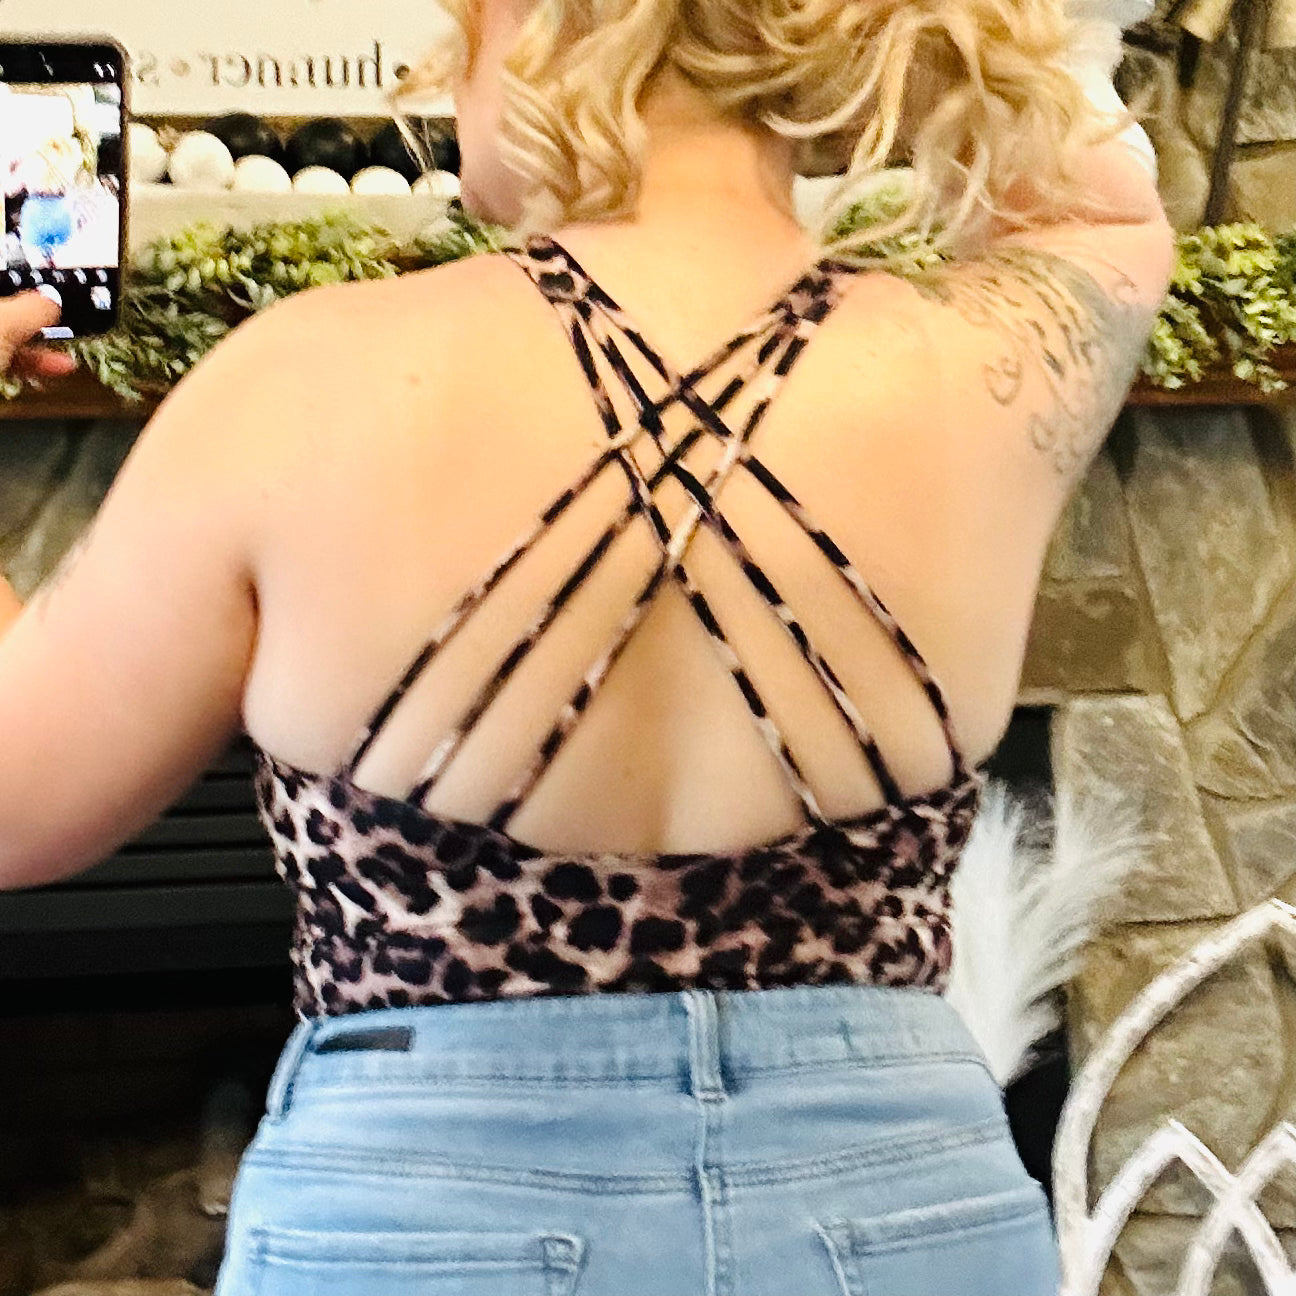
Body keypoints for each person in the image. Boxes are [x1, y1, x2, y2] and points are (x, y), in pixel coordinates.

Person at [0, 0, 1174, 1289]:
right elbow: (1102, 201)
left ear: (528, 21)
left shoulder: (297, 382)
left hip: (427, 1224)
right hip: (903, 1215)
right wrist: (930, 36)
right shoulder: (992, 363)